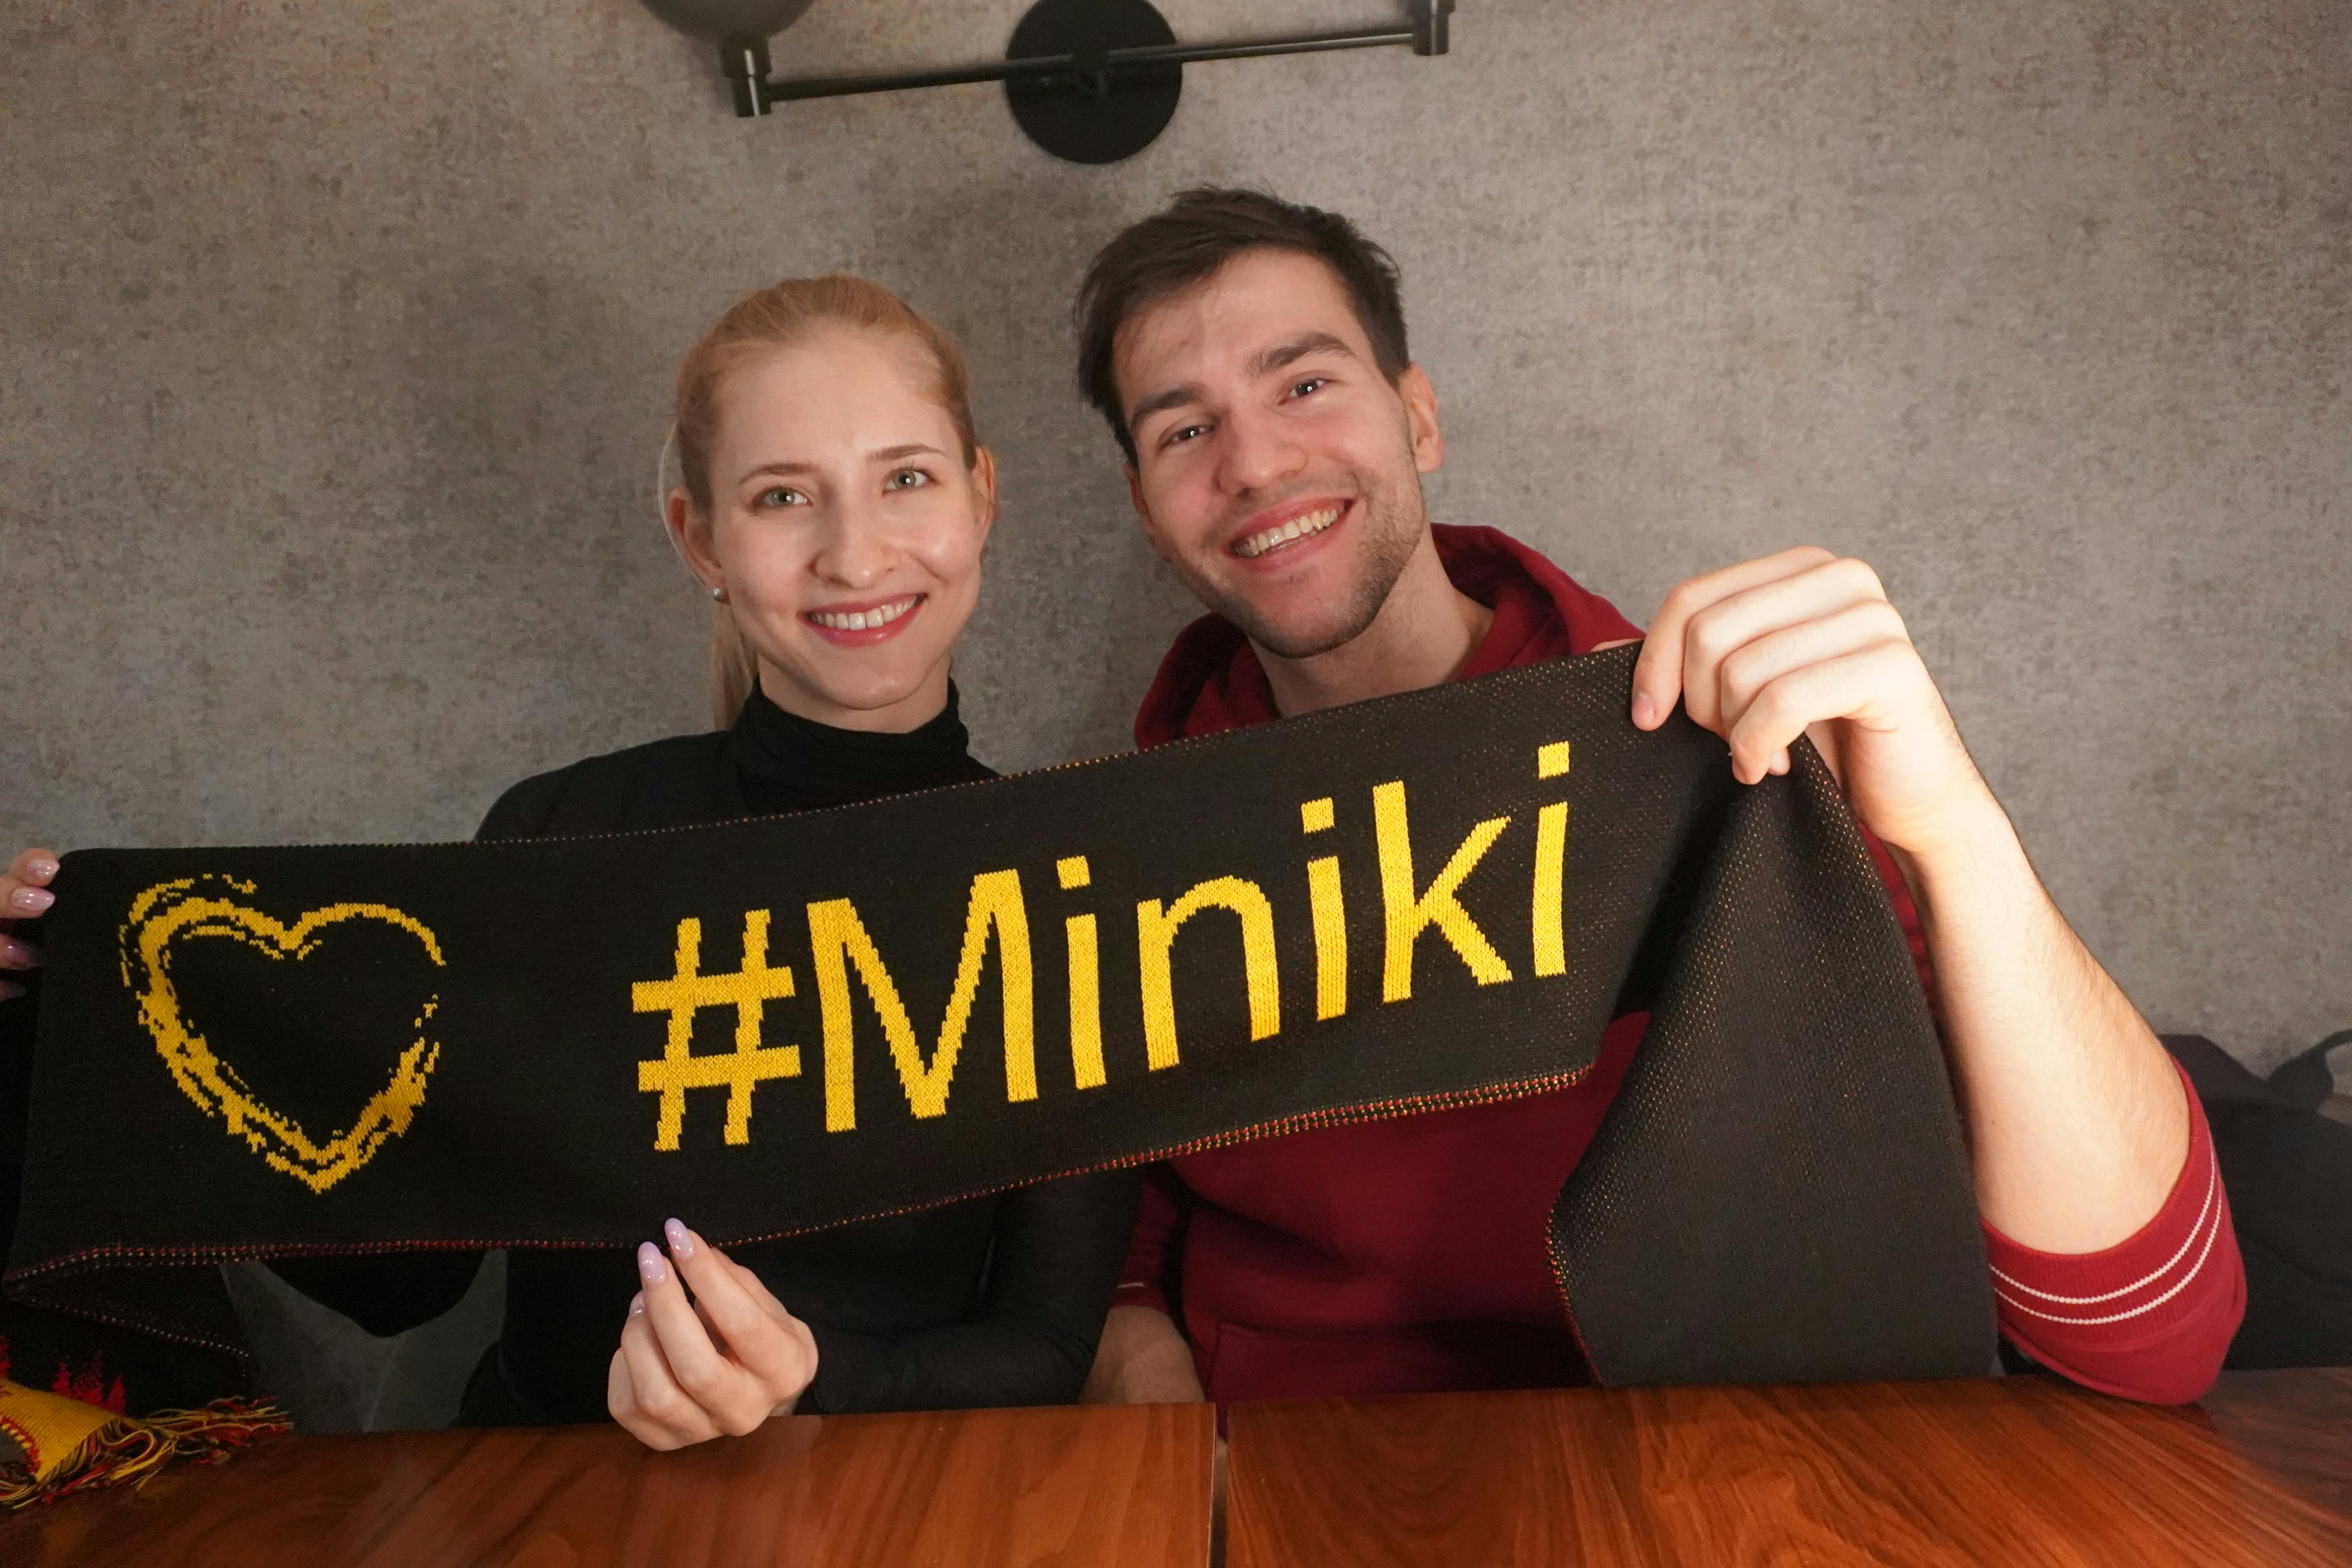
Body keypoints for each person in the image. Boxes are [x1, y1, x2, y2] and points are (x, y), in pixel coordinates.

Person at [1068, 188, 2245, 1408]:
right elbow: (1123, 1206)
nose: (1257, 464)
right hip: (1293, 1460)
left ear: (1418, 417)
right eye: (1185, 430)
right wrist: (1133, 1336)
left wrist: (1953, 838)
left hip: (1724, 1453)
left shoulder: (1722, 752)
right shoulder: (1120, 847)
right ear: (1149, 512)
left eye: (1305, 384)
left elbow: (2156, 1339)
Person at [0, 275, 1139, 1447]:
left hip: (896, 1493)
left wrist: (809, 1378)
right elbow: (401, 1279)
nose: (855, 556)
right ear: (700, 537)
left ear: (981, 497)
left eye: (905, 478)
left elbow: (1045, 1346)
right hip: (551, 1489)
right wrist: (95, 1013)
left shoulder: (1076, 889)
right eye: (783, 496)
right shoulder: (561, 834)